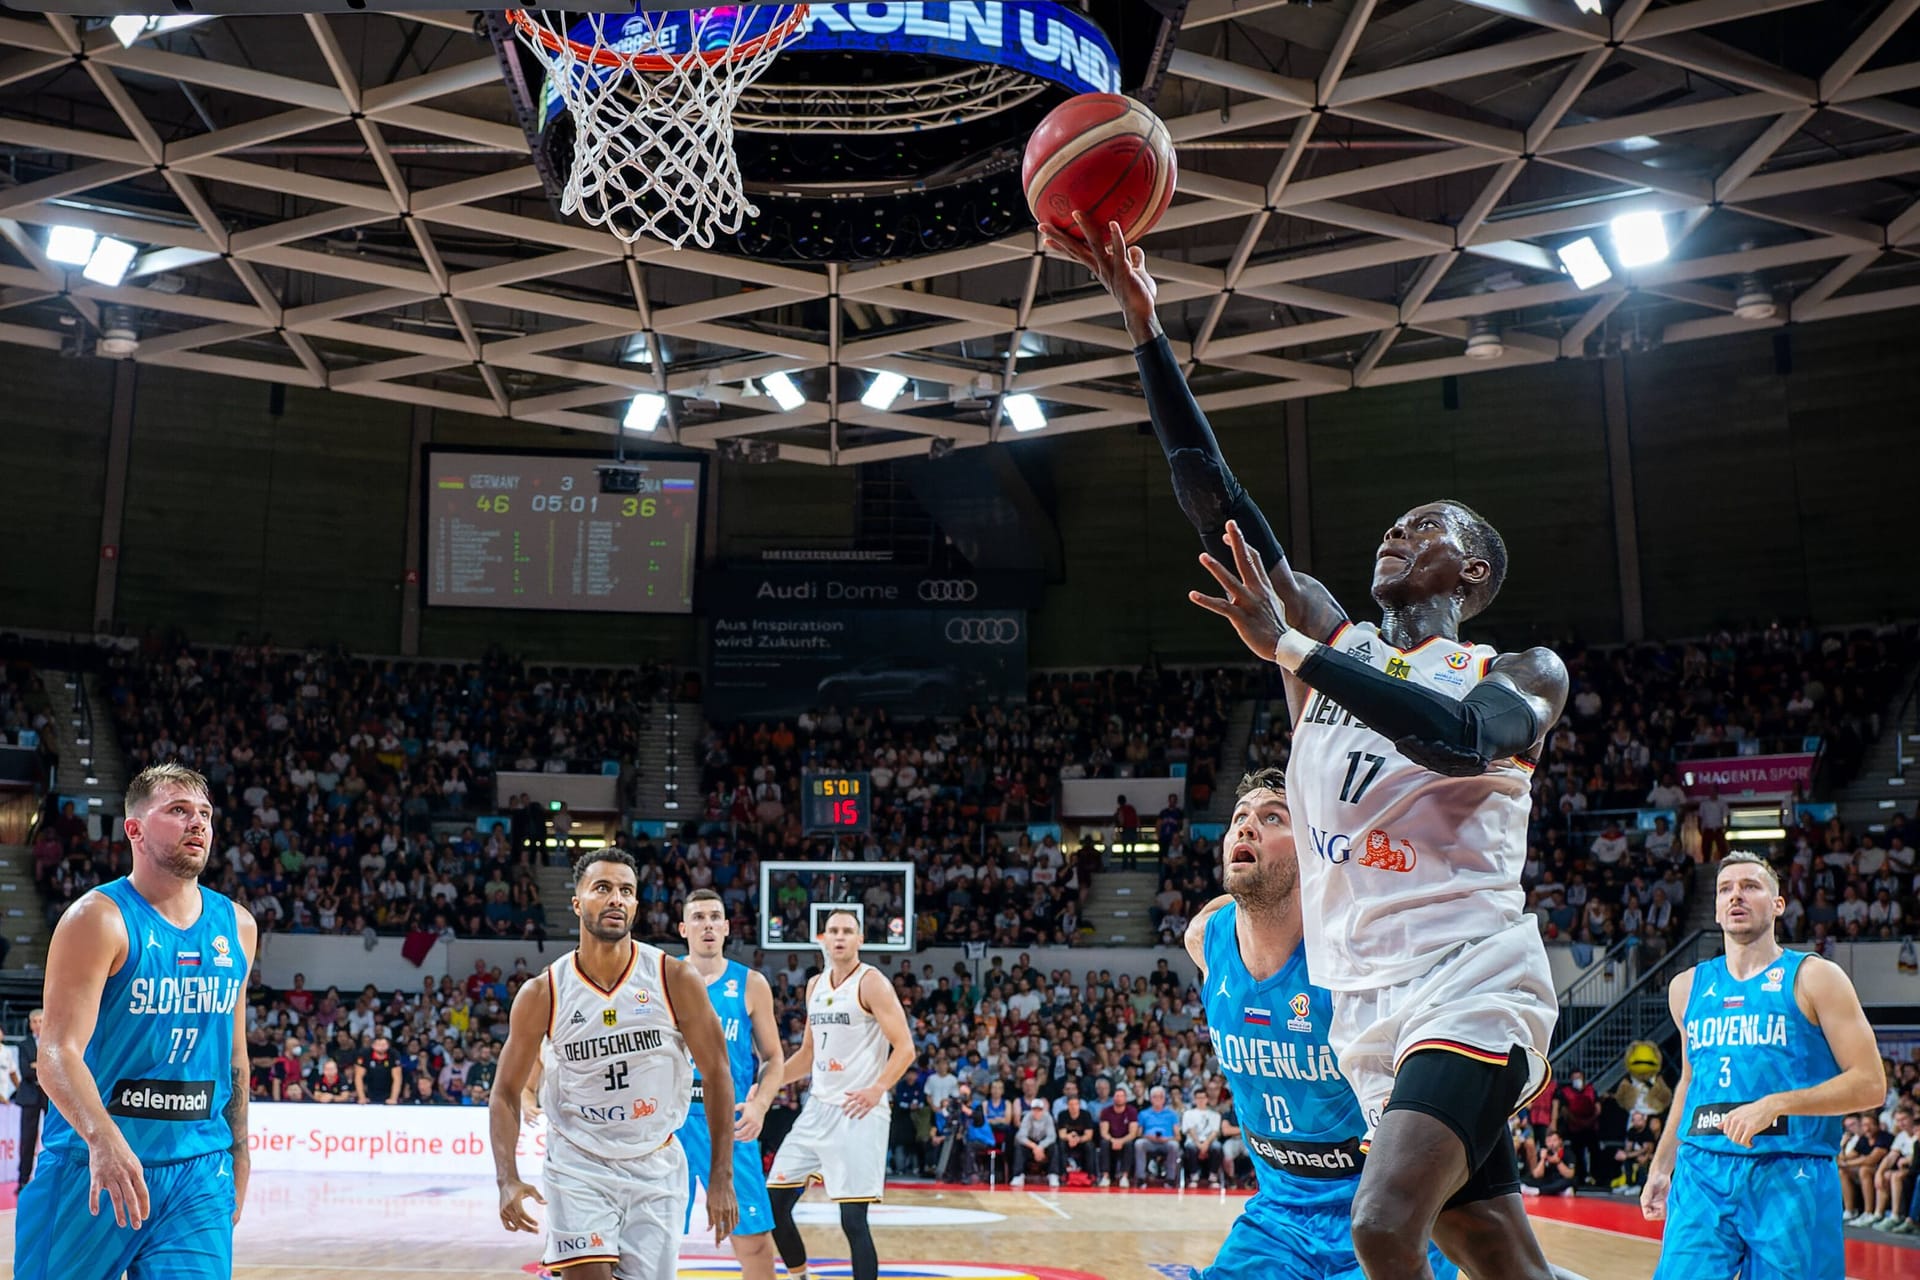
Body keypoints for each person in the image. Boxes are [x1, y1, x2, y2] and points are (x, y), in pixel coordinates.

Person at [1051, 212, 1577, 1278]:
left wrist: (1290, 645)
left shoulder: (1515, 672)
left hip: (1471, 976)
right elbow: (1220, 505)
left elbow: (1458, 741)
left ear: (1473, 575)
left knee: (1383, 1223)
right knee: (1491, 1246)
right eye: (1394, 523)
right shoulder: (1335, 643)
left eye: (1427, 526)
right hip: (1368, 1000)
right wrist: (1146, 330)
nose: (1395, 531)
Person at [1184, 773, 1455, 1280]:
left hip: (1390, 1214)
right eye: (1240, 817)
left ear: (1314, 846)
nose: (1246, 828)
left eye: (1272, 818)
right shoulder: (1204, 939)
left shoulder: (1362, 955)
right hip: (1279, 1221)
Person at [15, 763, 255, 1280]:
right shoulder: (97, 919)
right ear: (134, 829)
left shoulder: (237, 925)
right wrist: (103, 1139)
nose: (198, 824)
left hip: (198, 1171)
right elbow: (56, 1054)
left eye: (205, 814)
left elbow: (234, 1056)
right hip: (91, 1165)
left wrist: (240, 1149)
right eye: (178, 810)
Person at [491, 849, 738, 1280]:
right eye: (602, 888)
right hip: (578, 1161)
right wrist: (506, 1178)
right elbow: (505, 1093)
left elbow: (717, 1074)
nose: (616, 899)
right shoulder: (543, 992)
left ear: (636, 906)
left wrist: (721, 1175)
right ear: (577, 902)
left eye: (626, 891)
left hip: (655, 1161)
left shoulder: (674, 980)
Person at [1641, 852, 1886, 1278]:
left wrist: (1775, 1104)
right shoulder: (1686, 988)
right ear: (1717, 910)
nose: (1736, 895)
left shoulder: (1815, 977)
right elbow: (1691, 1082)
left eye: (1750, 886)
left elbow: (1870, 1084)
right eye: (1725, 889)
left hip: (1792, 1174)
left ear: (1777, 904)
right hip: (1702, 1171)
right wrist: (1663, 1166)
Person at [767, 908, 916, 1280]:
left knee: (852, 1219)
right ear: (821, 938)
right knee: (774, 1205)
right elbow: (806, 1056)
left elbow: (906, 1048)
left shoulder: (871, 983)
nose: (839, 936)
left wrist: (877, 1088)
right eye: (833, 930)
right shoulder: (815, 985)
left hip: (858, 1111)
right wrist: (769, 1084)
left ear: (860, 939)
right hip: (818, 1108)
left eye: (848, 930)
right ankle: (799, 1274)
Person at [677, 889, 785, 1280]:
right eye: (698, 917)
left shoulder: (751, 983)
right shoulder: (661, 978)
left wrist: (759, 1106)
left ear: (725, 927)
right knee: (652, 1238)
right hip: (668, 1126)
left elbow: (774, 1059)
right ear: (683, 928)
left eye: (714, 917)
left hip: (729, 1124)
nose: (707, 924)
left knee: (754, 1242)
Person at [14, 1008, 44, 1184]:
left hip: (50, 1096)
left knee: (54, 1137)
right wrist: (42, 1068)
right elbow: (25, 1071)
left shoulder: (53, 1042)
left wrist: (37, 1066)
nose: (38, 1025)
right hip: (30, 1095)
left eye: (41, 1021)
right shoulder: (24, 1044)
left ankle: (47, 1178)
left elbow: (57, 1068)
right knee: (27, 1139)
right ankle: (23, 1179)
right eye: (35, 1021)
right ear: (30, 1023)